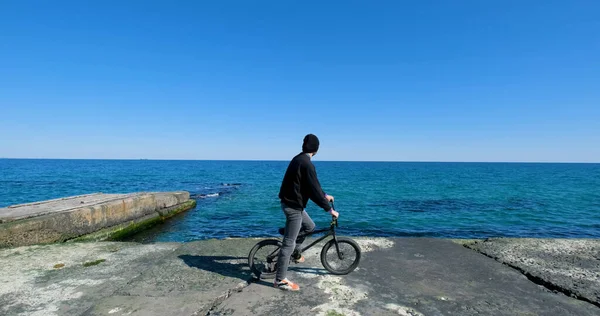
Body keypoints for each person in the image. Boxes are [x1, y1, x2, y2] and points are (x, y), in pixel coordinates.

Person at [274, 134, 339, 291]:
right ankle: (280, 279)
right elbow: (313, 190)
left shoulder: (299, 159)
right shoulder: (307, 164)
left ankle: (295, 253)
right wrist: (329, 209)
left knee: (310, 226)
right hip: (293, 207)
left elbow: (313, 185)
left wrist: (324, 195)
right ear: (316, 149)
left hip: (291, 203)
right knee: (289, 243)